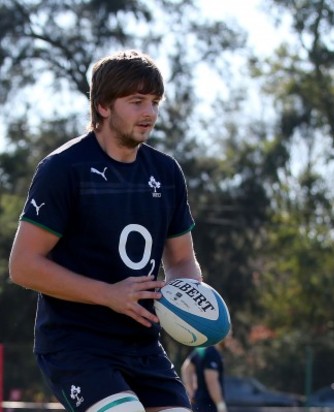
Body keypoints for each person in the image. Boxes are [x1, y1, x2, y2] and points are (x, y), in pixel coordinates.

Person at [8, 50, 201, 412]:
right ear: (103, 107)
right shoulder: (64, 169)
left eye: (155, 102)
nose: (150, 113)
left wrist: (189, 299)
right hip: (75, 344)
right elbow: (23, 266)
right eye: (136, 101)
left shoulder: (167, 172)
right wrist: (108, 294)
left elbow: (181, 259)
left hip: (142, 344)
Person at [181, 342, 227, 412]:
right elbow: (212, 382)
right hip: (209, 404)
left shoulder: (201, 350)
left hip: (198, 402)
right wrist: (220, 405)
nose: (230, 338)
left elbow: (186, 368)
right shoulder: (212, 353)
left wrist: (190, 392)